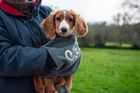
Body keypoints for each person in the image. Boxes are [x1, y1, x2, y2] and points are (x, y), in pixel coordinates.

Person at [0, 0, 81, 93]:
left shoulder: (46, 12)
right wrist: (49, 57)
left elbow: (69, 51)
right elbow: (3, 56)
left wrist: (63, 88)